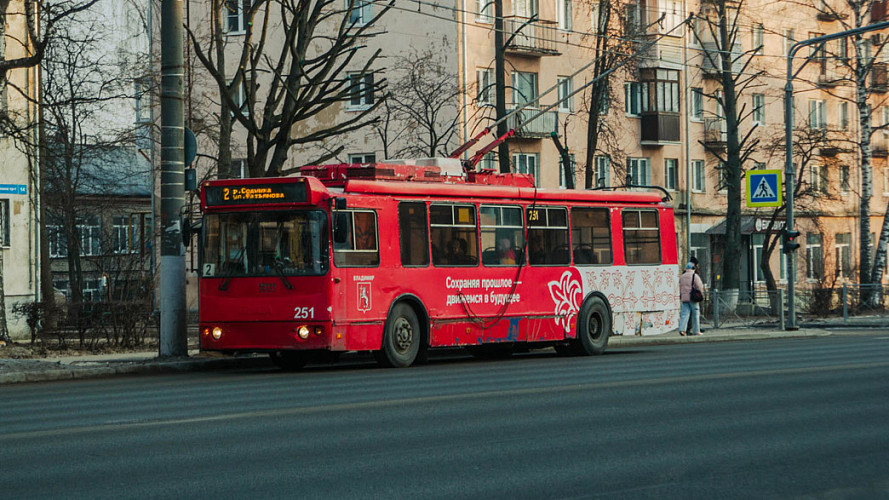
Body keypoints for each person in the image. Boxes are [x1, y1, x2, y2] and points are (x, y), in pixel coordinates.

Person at [679, 262, 705, 336]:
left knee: (684, 314)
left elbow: (679, 287)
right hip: (693, 298)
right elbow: (699, 286)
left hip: (684, 298)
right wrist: (700, 293)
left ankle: (682, 330)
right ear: (693, 268)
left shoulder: (682, 277)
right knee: (696, 314)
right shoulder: (694, 276)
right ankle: (696, 330)